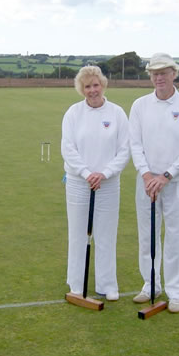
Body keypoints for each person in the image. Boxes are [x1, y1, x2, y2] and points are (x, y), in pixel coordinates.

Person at [128, 53, 179, 313]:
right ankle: (150, 284)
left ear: (174, 74)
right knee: (147, 236)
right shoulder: (139, 105)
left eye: (164, 72)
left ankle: (176, 292)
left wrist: (166, 176)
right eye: (154, 73)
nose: (159, 77)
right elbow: (134, 144)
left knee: (177, 238)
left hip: (177, 183)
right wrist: (148, 175)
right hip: (146, 182)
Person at [61, 65, 130, 301]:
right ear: (82, 89)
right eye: (88, 86)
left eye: (96, 85)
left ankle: (107, 284)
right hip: (79, 183)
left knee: (106, 234)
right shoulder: (73, 113)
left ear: (103, 85)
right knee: (79, 233)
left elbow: (124, 150)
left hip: (108, 184)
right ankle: (77, 284)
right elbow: (68, 148)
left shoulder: (117, 113)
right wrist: (86, 172)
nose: (93, 90)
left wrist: (104, 173)